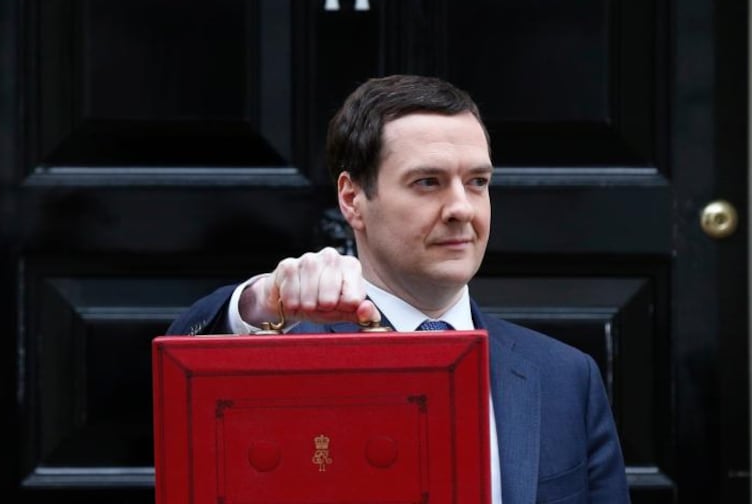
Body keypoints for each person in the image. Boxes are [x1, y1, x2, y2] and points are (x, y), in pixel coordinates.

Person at [167, 75, 630, 503]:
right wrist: (260, 301)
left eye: (477, 182)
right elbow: (179, 381)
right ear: (352, 199)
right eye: (427, 182)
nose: (461, 208)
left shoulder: (566, 377)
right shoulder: (284, 357)